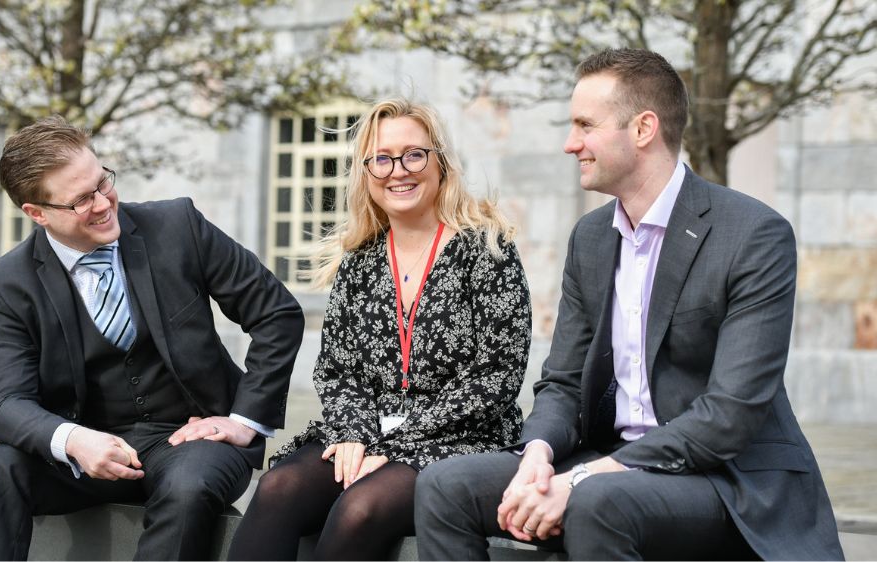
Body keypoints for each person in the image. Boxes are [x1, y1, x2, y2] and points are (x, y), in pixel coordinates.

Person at [415, 48, 844, 560]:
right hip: (607, 462)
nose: (570, 143)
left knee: (597, 501)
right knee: (446, 485)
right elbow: (564, 381)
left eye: (585, 125)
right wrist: (538, 455)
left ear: (643, 129)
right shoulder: (591, 238)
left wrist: (581, 479)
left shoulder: (753, 235)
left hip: (728, 479)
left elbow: (730, 414)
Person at [0, 116, 304, 560]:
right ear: (37, 213)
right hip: (87, 453)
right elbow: (5, 402)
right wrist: (74, 440)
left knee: (188, 488)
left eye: (103, 182)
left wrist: (243, 419)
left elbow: (276, 313)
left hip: (193, 440)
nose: (104, 203)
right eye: (82, 200)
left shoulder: (178, 226)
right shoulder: (10, 281)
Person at [227, 98, 532, 560]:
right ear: (366, 173)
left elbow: (496, 376)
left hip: (461, 438)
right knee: (278, 487)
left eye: (414, 155)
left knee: (361, 508)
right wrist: (353, 433)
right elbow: (337, 370)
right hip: (367, 428)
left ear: (440, 162)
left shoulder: (487, 251)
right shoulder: (360, 262)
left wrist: (395, 445)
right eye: (382, 159)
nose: (398, 171)